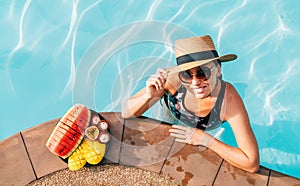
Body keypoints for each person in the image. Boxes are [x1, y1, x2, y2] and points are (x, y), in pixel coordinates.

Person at [121, 35, 260, 173]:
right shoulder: (171, 79)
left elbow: (252, 163)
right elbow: (125, 113)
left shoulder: (228, 101)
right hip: (171, 114)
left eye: (202, 72)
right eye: (186, 75)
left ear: (218, 70)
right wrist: (147, 96)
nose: (195, 82)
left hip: (206, 130)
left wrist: (207, 140)